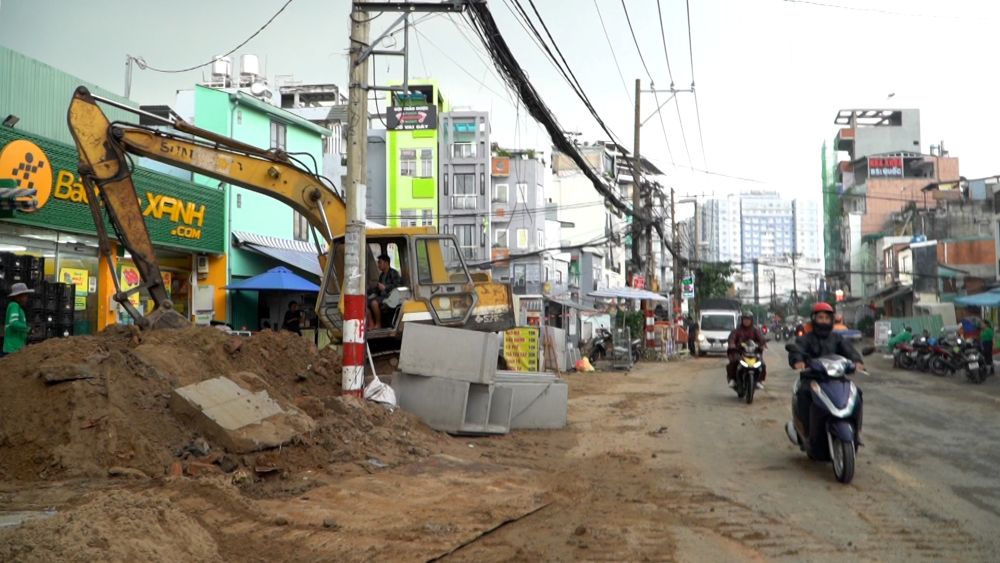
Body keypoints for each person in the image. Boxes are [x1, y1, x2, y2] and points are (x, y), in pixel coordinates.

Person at [787, 302, 864, 440]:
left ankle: (856, 430)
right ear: (814, 319)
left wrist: (857, 361)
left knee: (856, 393)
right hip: (813, 377)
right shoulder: (806, 338)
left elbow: (849, 351)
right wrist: (798, 361)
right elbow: (797, 350)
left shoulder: (837, 338)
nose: (824, 321)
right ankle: (805, 431)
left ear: (831, 320)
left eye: (827, 318)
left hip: (836, 378)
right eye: (820, 317)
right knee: (804, 393)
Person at [726, 311, 767, 389]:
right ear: (742, 320)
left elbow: (761, 339)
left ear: (751, 320)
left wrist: (762, 344)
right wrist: (732, 344)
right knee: (734, 361)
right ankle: (733, 379)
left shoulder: (756, 330)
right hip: (740, 351)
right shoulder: (737, 330)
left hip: (753, 352)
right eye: (745, 319)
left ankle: (759, 380)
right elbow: (732, 338)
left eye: (748, 319)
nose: (746, 321)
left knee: (762, 363)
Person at [367, 253, 402, 329]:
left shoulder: (393, 273)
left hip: (390, 297)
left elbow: (398, 286)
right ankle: (371, 324)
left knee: (374, 303)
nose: (378, 265)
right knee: (366, 301)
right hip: (382, 296)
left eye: (380, 262)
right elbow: (378, 289)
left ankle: (378, 324)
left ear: (386, 263)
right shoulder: (382, 275)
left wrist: (385, 288)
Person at [2, 282, 32, 356]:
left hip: (16, 347)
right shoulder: (14, 305)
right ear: (18, 297)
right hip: (12, 348)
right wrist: (27, 329)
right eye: (25, 295)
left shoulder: (18, 308)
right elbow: (14, 323)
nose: (27, 298)